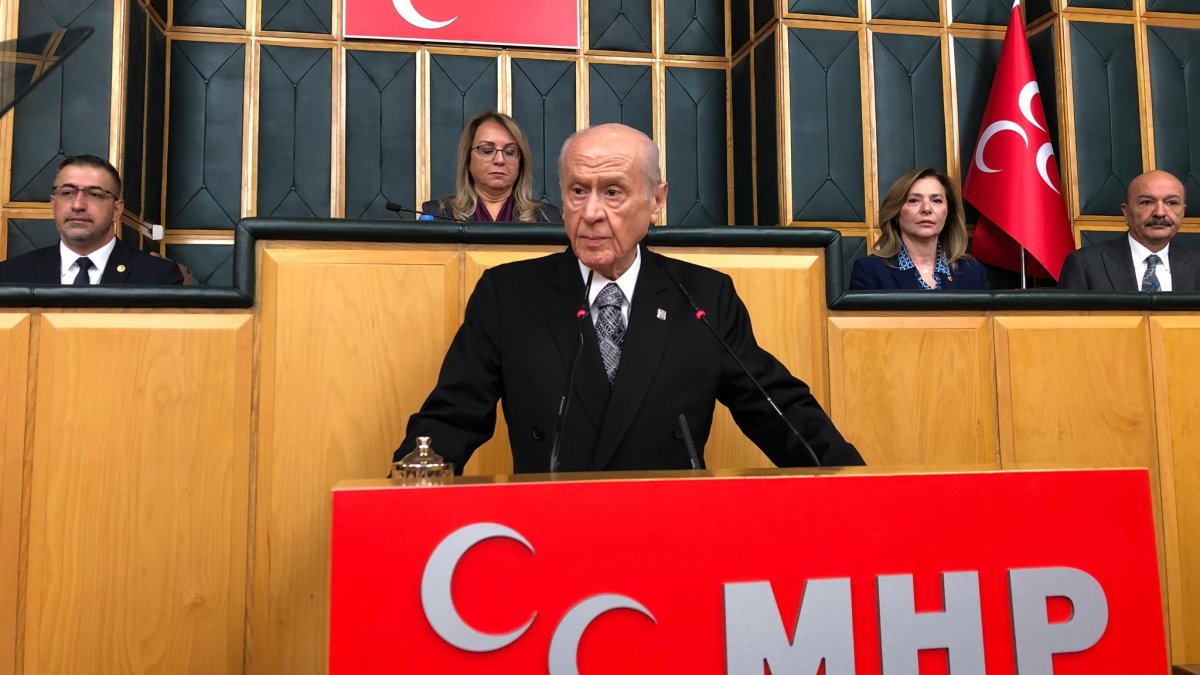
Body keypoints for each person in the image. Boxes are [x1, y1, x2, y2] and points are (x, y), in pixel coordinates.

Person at [394, 123, 863, 473]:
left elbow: (777, 410)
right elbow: (451, 420)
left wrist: (852, 482)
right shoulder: (509, 294)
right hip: (550, 534)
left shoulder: (702, 295)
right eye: (578, 191)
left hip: (667, 535)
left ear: (656, 200)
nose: (591, 212)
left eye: (613, 192)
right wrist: (411, 486)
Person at [0, 155, 184, 285]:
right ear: (54, 205)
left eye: (94, 194)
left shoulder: (158, 277)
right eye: (67, 193)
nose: (78, 205)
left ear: (117, 210)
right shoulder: (10, 276)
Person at [850, 167, 990, 290]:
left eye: (936, 200)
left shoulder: (973, 272)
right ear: (896, 213)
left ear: (948, 213)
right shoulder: (869, 271)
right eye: (914, 200)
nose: (926, 209)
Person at [1059, 170, 1200, 291]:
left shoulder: (1196, 265)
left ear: (1183, 212)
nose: (1160, 213)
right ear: (1126, 212)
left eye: (1172, 203)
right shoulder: (1085, 264)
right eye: (1146, 202)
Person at [421, 110, 562, 223]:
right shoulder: (438, 215)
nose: (500, 160)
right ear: (468, 160)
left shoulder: (546, 218)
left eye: (510, 152)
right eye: (487, 151)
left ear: (521, 162)